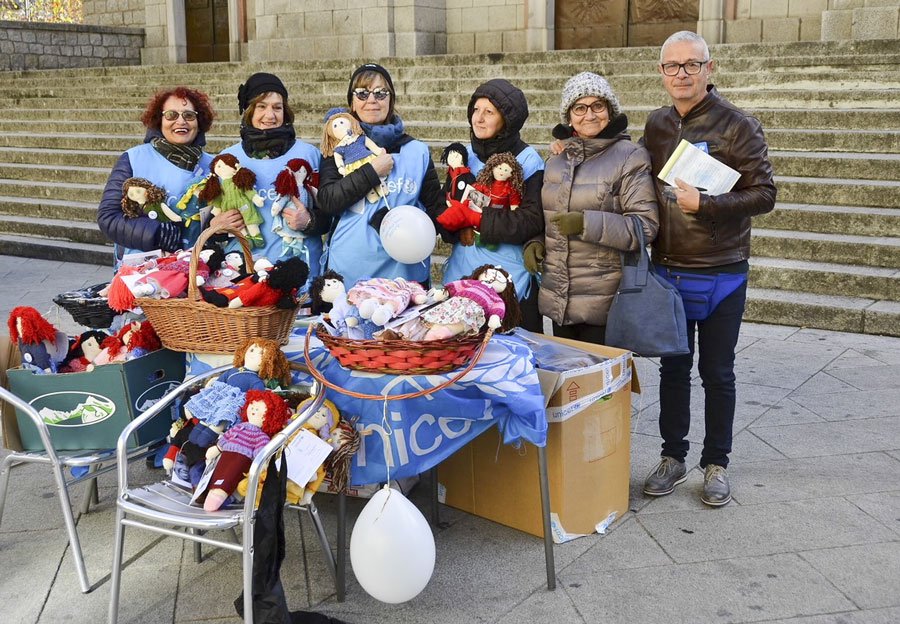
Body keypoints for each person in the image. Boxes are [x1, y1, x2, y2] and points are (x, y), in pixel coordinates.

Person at [641, 31, 776, 507]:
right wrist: (568, 146)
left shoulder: (739, 126)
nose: (681, 74)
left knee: (718, 372)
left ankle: (716, 462)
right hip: (669, 269)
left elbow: (765, 194)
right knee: (673, 370)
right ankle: (672, 457)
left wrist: (709, 204)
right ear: (662, 72)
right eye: (672, 66)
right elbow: (628, 166)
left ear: (709, 68)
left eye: (691, 64)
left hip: (722, 270)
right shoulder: (657, 124)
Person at [528, 72, 658, 346]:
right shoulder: (556, 160)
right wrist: (536, 241)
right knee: (569, 372)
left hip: (605, 301)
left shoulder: (630, 156)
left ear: (610, 111)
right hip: (560, 298)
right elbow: (552, 217)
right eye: (580, 108)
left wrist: (585, 223)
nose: (589, 115)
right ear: (569, 116)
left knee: (603, 374)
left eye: (597, 105)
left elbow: (644, 226)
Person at [316, 63, 444, 287]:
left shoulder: (417, 151)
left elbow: (435, 210)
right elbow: (328, 200)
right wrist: (372, 172)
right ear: (352, 103)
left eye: (380, 93)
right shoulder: (338, 149)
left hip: (404, 278)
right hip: (348, 275)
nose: (371, 100)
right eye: (362, 93)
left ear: (390, 100)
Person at [439, 79, 545, 332]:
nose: (479, 118)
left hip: (508, 280)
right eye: (476, 110)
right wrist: (449, 226)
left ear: (507, 119)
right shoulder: (463, 156)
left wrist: (477, 220)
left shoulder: (528, 161)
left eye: (489, 112)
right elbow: (446, 206)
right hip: (463, 274)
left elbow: (531, 220)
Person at [217, 72, 327, 291]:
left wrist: (310, 221)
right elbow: (209, 219)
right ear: (248, 110)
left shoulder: (309, 155)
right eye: (261, 106)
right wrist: (217, 225)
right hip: (245, 276)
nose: (270, 115)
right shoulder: (226, 160)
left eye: (277, 107)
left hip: (299, 275)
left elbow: (331, 214)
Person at [97, 86, 216, 262]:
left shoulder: (214, 165)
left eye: (189, 115)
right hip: (143, 268)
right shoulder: (134, 158)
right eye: (171, 115)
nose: (181, 121)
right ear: (159, 120)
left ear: (199, 122)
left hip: (196, 266)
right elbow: (108, 216)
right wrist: (156, 233)